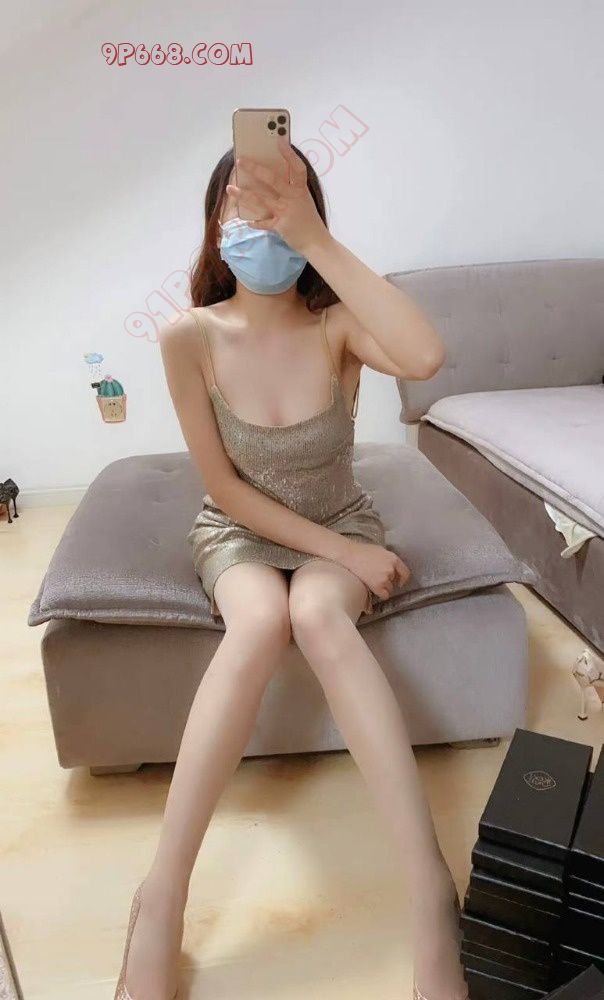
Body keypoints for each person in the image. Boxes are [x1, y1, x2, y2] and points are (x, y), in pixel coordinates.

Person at [113, 133, 469, 1000]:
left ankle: (430, 891)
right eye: (246, 200)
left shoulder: (336, 325)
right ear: (215, 222)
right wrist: (348, 555)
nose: (262, 216)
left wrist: (315, 240)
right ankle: (160, 898)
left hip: (338, 515)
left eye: (285, 200)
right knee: (262, 619)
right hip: (242, 530)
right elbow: (225, 491)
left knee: (314, 613)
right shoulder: (188, 337)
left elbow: (425, 357)